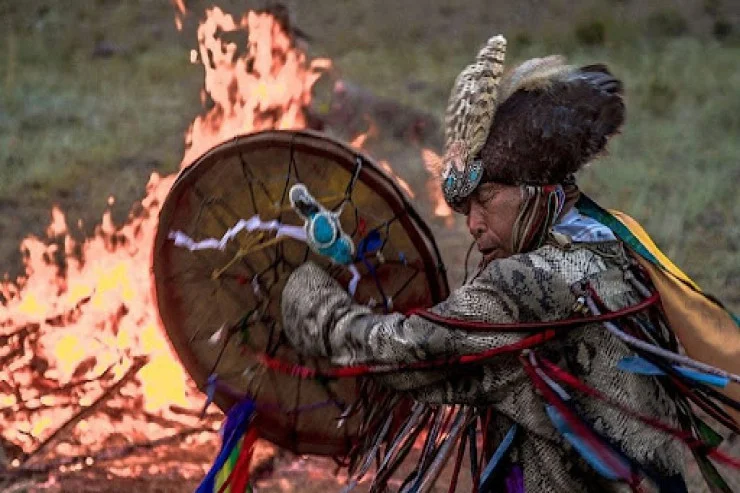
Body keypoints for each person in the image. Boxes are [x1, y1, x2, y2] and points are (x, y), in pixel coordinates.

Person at [280, 35, 739, 492]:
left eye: (486, 198)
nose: (474, 224)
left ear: (536, 189)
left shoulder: (528, 282)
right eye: (466, 210)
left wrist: (310, 302)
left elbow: (404, 352)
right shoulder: (610, 242)